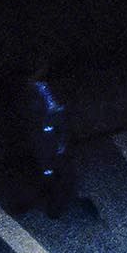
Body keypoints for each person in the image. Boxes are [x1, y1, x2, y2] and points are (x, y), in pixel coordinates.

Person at [18, 68, 78, 219]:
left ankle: (56, 200)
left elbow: (58, 108)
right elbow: (32, 117)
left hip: (54, 129)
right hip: (44, 136)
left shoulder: (48, 87)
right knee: (50, 170)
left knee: (59, 170)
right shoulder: (30, 94)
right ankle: (53, 203)